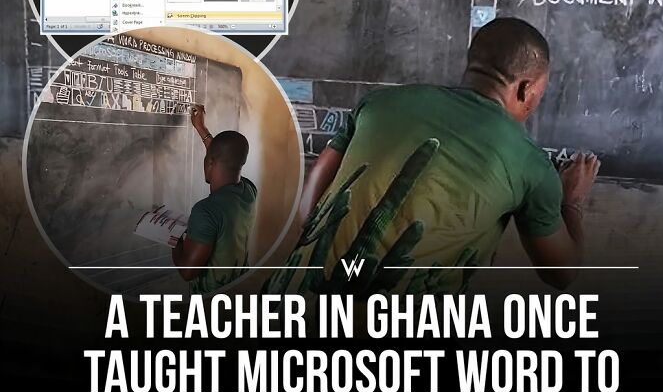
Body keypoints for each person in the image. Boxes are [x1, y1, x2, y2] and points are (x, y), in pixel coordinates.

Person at [266, 17, 599, 299]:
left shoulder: (379, 103)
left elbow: (309, 212)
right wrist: (572, 201)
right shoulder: (530, 163)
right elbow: (561, 273)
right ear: (526, 89)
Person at [172, 106, 257, 295]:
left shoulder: (206, 211)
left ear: (210, 162)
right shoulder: (248, 191)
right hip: (239, 289)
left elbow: (188, 272)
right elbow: (222, 155)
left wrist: (173, 238)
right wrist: (201, 129)